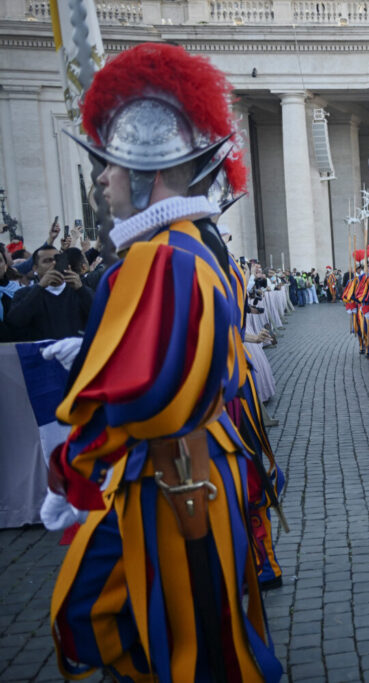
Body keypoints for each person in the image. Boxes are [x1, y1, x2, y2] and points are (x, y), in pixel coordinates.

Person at [42, 43, 282, 681]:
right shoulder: (182, 249)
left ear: (148, 172)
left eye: (110, 166)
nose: (101, 179)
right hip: (189, 472)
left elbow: (152, 396)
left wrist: (73, 463)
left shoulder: (164, 255)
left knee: (164, 638)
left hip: (170, 479)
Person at [5, 244, 93, 341]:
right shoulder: (23, 293)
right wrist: (40, 287)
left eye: (57, 259)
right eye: (47, 261)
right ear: (35, 268)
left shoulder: (79, 290)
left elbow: (99, 316)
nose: (54, 264)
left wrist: (81, 290)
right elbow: (15, 321)